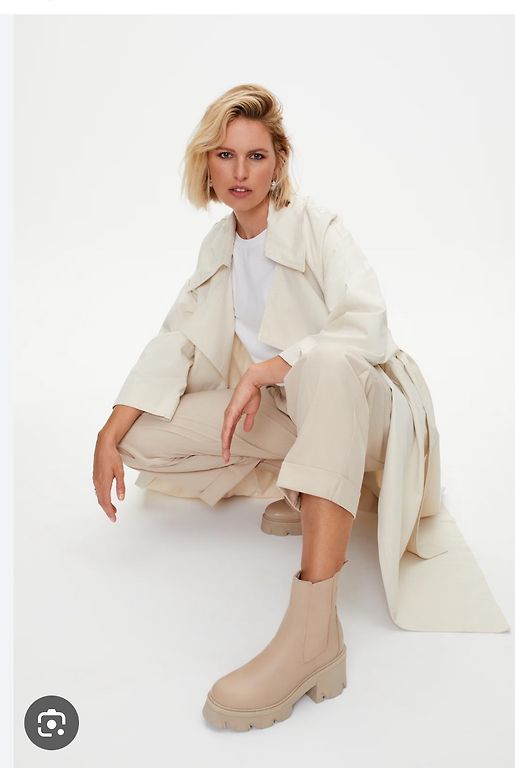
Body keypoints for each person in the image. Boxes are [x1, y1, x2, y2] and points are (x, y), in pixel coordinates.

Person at [93, 83, 406, 731]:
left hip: (366, 408)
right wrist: (108, 431)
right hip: (292, 416)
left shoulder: (317, 226)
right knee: (142, 439)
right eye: (225, 155)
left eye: (256, 156)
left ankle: (315, 637)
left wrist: (273, 366)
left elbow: (369, 326)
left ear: (278, 163)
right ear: (206, 165)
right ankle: (305, 490)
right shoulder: (218, 247)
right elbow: (176, 338)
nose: (240, 171)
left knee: (322, 365)